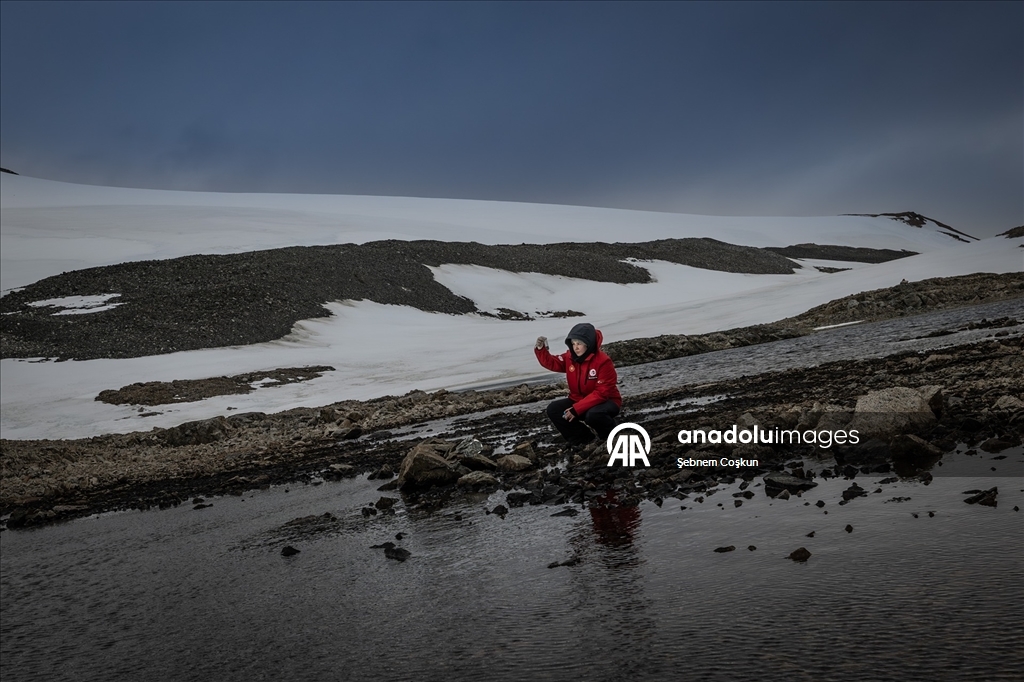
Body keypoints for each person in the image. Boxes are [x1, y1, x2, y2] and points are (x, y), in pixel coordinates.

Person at [535, 322, 621, 448]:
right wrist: (541, 350)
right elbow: (552, 363)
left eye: (579, 343)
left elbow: (602, 393)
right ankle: (583, 440)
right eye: (573, 343)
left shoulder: (603, 361)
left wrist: (576, 409)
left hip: (606, 401)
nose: (576, 347)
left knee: (593, 415)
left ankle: (611, 436)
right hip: (578, 400)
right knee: (554, 409)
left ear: (588, 344)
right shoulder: (570, 357)